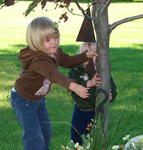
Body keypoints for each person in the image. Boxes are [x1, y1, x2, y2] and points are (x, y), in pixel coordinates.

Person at [10, 17, 98, 150]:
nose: (54, 42)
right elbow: (55, 75)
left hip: (38, 99)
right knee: (34, 136)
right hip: (23, 100)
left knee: (45, 133)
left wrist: (85, 56)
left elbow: (68, 61)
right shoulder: (39, 61)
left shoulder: (54, 52)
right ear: (36, 42)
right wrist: (75, 86)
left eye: (55, 37)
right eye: (48, 40)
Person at [68, 42, 117, 145]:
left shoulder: (102, 71)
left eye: (94, 54)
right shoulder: (77, 70)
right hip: (82, 110)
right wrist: (89, 83)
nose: (90, 57)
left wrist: (111, 93)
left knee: (96, 137)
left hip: (99, 111)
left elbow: (111, 85)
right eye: (86, 54)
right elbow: (73, 84)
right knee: (77, 135)